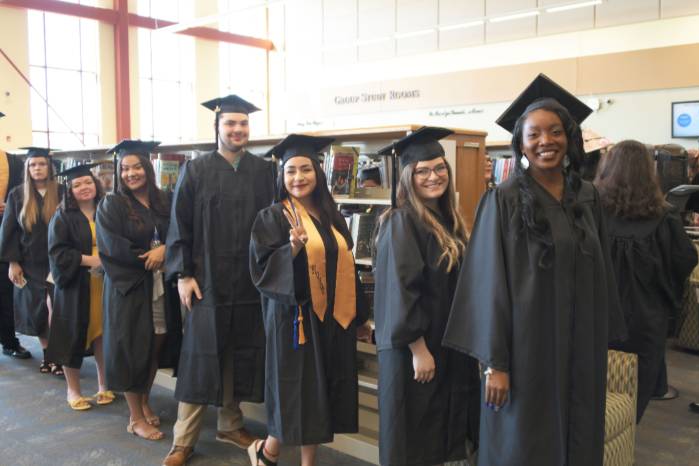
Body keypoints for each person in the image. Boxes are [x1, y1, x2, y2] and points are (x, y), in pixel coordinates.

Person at [443, 74, 626, 466]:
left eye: (555, 132)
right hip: (526, 356)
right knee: (524, 445)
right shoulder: (503, 201)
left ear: (569, 138)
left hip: (580, 350)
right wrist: (496, 364)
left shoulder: (587, 197)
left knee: (578, 440)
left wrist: (601, 341)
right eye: (535, 134)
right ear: (520, 143)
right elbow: (488, 285)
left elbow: (603, 273)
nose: (546, 141)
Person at [163, 95, 275, 466]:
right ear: (218, 127)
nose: (238, 130)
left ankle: (230, 424)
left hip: (249, 280)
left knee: (239, 353)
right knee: (200, 356)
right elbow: (179, 224)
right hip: (206, 279)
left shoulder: (263, 170)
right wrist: (183, 274)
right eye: (230, 124)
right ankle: (183, 440)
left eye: (243, 124)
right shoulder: (196, 170)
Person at [249, 134, 372, 466]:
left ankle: (296, 460)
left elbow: (347, 266)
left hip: (333, 319)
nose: (298, 177)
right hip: (296, 322)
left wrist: (361, 317)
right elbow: (261, 270)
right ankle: (268, 452)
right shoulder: (273, 216)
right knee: (299, 394)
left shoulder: (333, 216)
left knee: (321, 396)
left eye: (305, 169)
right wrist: (292, 248)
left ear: (318, 173)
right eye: (290, 171)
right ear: (282, 176)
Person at [373, 127, 480, 466]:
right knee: (415, 439)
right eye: (423, 170)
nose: (434, 176)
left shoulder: (446, 220)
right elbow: (402, 290)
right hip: (416, 350)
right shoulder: (401, 222)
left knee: (437, 436)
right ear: (408, 176)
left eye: (439, 168)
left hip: (443, 344)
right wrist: (418, 349)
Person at [594, 139, 698, 422]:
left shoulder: (592, 212)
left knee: (595, 392)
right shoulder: (664, 216)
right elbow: (685, 258)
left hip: (597, 318)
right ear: (649, 172)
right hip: (646, 320)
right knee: (633, 396)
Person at [96, 140, 182, 441]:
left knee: (155, 343)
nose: (132, 173)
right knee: (133, 349)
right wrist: (153, 257)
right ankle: (134, 418)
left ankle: (144, 401)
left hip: (160, 285)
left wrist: (167, 251)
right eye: (125, 168)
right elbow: (113, 248)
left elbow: (179, 232)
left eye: (137, 167)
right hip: (130, 287)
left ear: (148, 167)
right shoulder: (112, 204)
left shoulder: (163, 200)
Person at [46, 163, 113, 410]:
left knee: (102, 335)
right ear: (70, 190)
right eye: (77, 185)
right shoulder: (62, 216)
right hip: (75, 284)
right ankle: (73, 391)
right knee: (72, 336)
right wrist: (92, 260)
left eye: (87, 182)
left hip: (104, 284)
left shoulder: (106, 209)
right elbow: (58, 252)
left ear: (95, 184)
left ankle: (104, 385)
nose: (83, 188)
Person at [0, 147, 62, 374]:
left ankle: (58, 356)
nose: (37, 168)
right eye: (33, 164)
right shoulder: (18, 194)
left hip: (58, 261)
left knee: (57, 310)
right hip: (30, 263)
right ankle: (49, 356)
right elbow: (9, 232)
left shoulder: (62, 192)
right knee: (39, 312)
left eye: (42, 164)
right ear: (27, 168)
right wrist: (13, 263)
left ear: (50, 167)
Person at [0, 112, 31, 360]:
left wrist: (12, 206)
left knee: (5, 291)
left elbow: (24, 197)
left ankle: (9, 340)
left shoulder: (13, 162)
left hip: (6, 233)